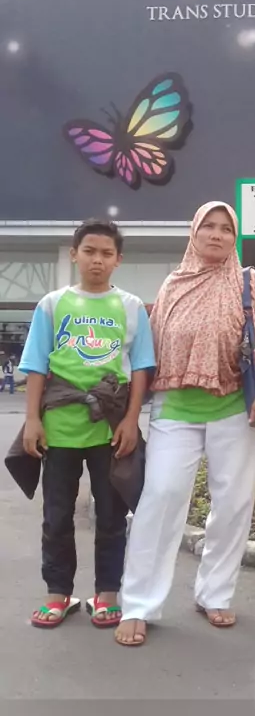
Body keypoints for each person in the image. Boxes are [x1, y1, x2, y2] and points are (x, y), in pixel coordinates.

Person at [115, 201, 255, 647]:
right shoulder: (173, 283)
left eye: (226, 228)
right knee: (160, 497)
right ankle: (139, 603)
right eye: (208, 226)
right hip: (175, 407)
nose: (216, 234)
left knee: (232, 503)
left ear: (235, 237)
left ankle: (215, 593)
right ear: (194, 232)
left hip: (235, 407)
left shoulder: (250, 282)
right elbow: (149, 349)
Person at [19, 219, 155, 629]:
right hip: (59, 426)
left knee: (112, 514)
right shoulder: (52, 304)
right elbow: (35, 365)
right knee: (57, 514)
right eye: (90, 251)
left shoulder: (131, 307)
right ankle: (58, 593)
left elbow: (142, 368)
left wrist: (131, 419)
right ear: (74, 254)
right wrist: (32, 420)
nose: (98, 260)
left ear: (118, 260)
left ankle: (107, 593)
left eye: (106, 253)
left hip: (110, 428)